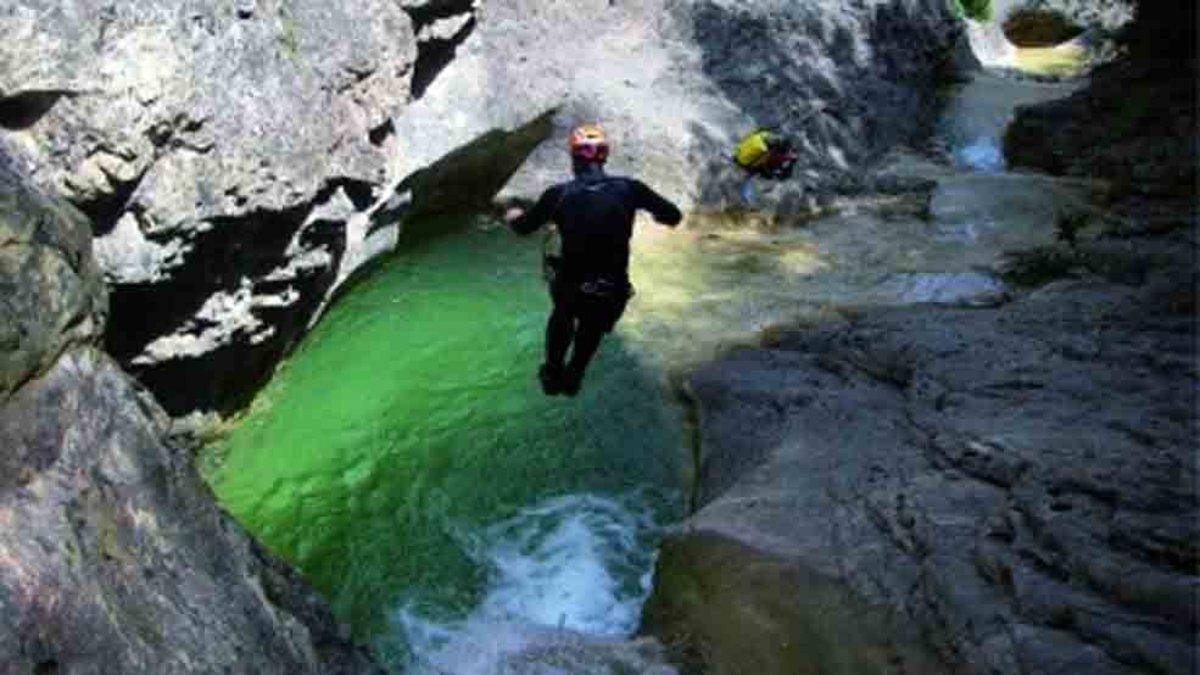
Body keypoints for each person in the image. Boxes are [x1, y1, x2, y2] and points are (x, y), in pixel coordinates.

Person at [505, 124, 682, 397]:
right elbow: (673, 215)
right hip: (611, 291)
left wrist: (512, 214)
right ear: (605, 157)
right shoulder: (630, 189)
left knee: (562, 312)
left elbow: (523, 228)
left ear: (574, 158)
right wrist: (658, 217)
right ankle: (575, 374)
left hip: (572, 288)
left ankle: (552, 372)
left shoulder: (558, 195)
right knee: (593, 322)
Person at [733, 128, 798, 203]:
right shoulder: (764, 150)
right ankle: (762, 192)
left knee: (773, 167)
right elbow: (761, 164)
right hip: (745, 163)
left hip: (737, 153)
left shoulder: (763, 134)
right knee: (773, 174)